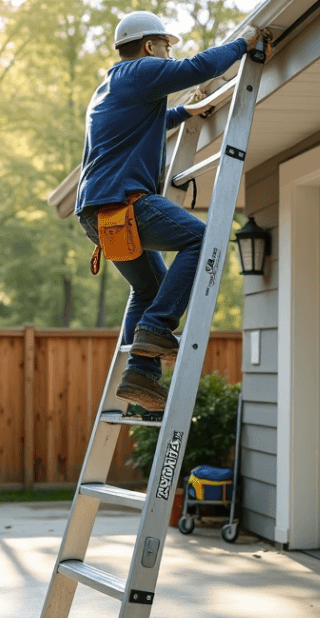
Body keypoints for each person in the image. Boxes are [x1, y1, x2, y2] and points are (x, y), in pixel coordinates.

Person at [75, 12, 266, 411]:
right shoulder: (141, 71)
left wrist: (183, 114)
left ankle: (140, 375)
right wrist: (242, 45)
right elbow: (197, 68)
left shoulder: (109, 86)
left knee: (148, 289)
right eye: (165, 45)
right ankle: (157, 328)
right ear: (149, 46)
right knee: (202, 239)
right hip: (124, 205)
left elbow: (143, 122)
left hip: (98, 215)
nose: (167, 53)